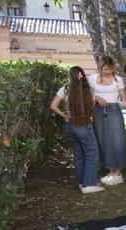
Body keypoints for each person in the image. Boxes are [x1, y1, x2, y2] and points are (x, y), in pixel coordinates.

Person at [49, 66, 103, 194]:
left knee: (79, 155)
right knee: (92, 154)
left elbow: (53, 106)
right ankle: (89, 184)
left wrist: (64, 115)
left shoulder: (65, 89)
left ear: (70, 76)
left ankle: (80, 182)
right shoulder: (88, 89)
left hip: (70, 125)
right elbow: (93, 104)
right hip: (84, 125)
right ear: (82, 75)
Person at [88, 56, 126, 186]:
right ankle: (111, 171)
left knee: (117, 139)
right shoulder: (92, 78)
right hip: (98, 111)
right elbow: (88, 94)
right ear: (100, 67)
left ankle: (118, 172)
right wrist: (97, 98)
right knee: (102, 139)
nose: (108, 72)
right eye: (105, 69)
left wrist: (125, 102)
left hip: (113, 110)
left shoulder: (118, 79)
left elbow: (124, 97)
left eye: (111, 69)